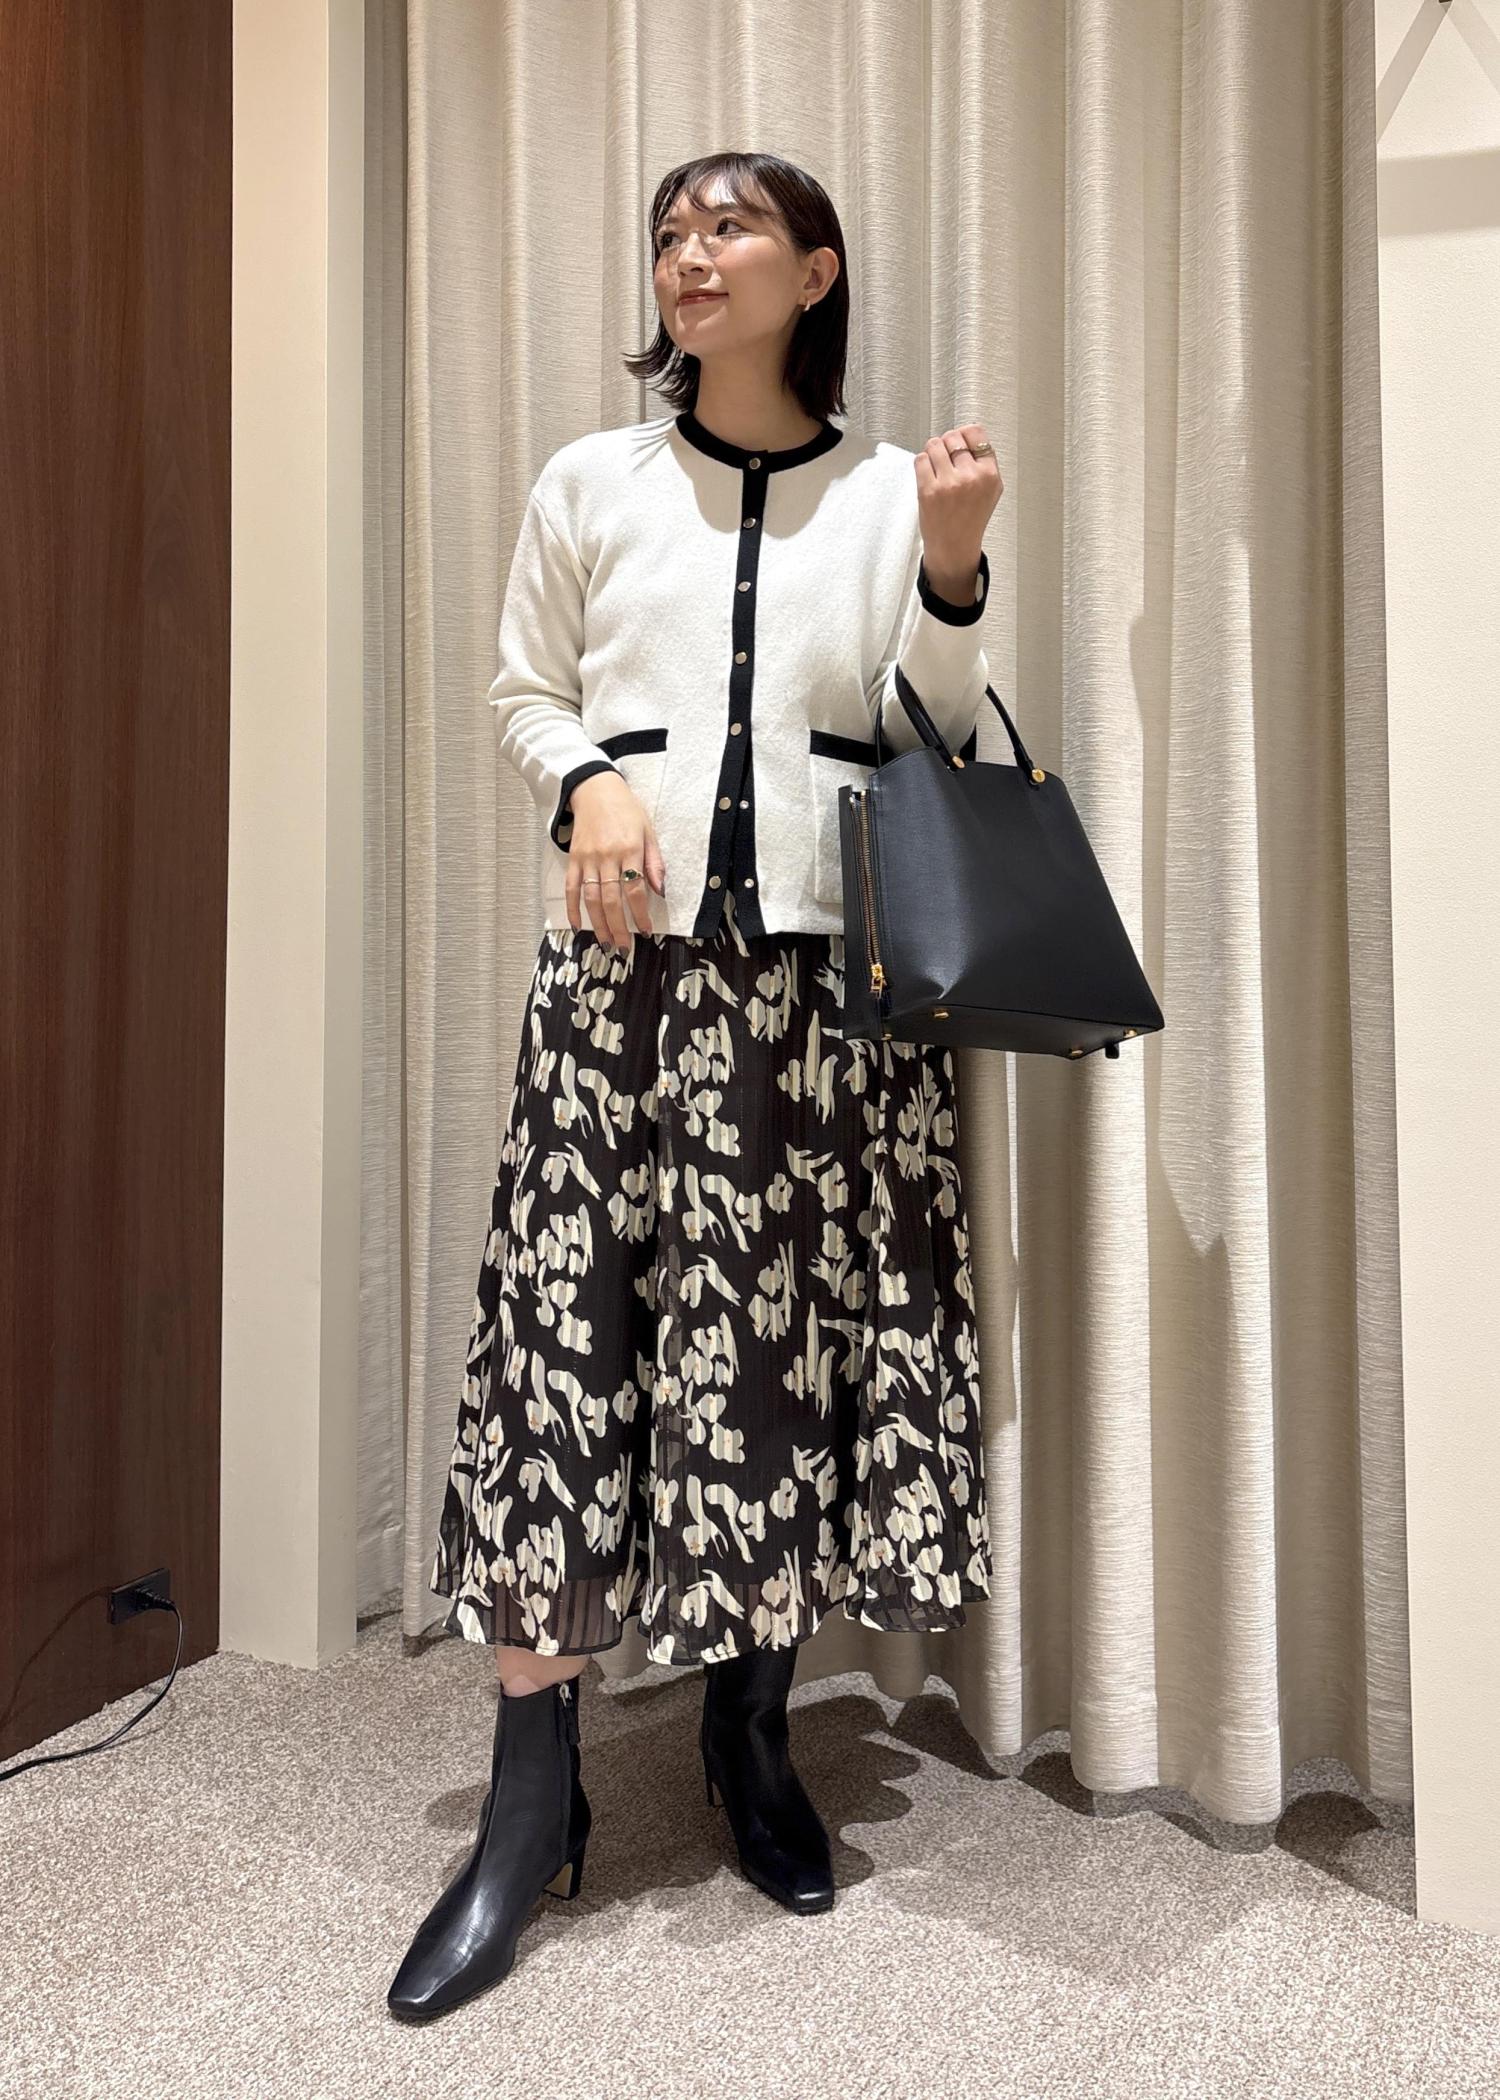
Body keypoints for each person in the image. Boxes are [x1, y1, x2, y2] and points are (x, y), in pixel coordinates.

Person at [388, 149, 1004, 2024]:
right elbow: (524, 687)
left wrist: (954, 563)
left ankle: (751, 1737)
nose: (689, 253)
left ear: (815, 271)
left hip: (820, 1003)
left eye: (728, 226)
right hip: (622, 987)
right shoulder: (592, 480)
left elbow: (935, 728)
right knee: (561, 1351)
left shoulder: (888, 492)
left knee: (776, 1364)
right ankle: (530, 1803)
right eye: (669, 229)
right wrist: (587, 780)